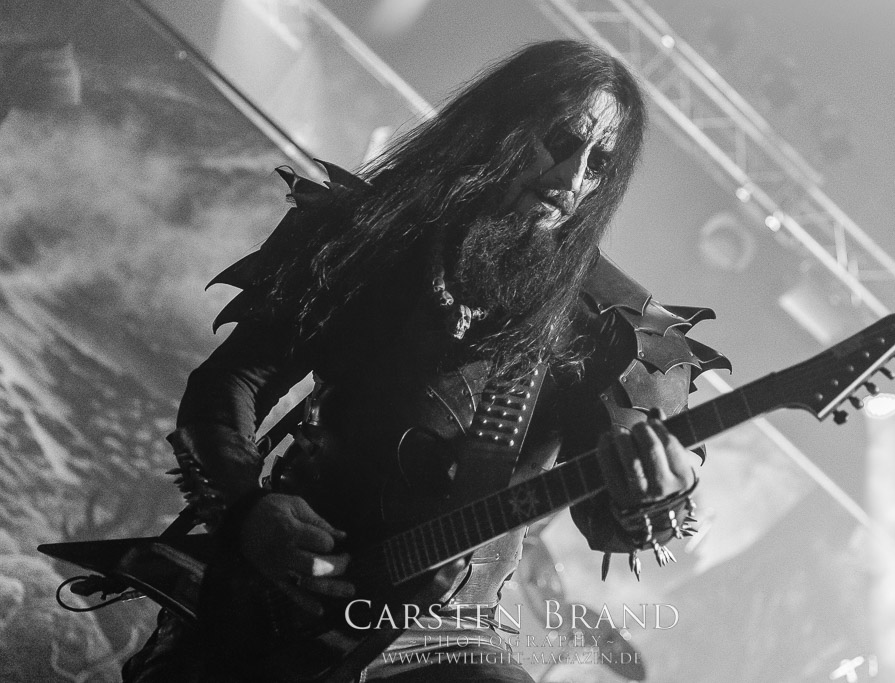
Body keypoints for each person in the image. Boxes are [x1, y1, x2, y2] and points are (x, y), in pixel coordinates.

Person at [123, 39, 727, 682]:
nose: (573, 178)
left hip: (444, 638)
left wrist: (657, 499)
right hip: (286, 590)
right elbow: (232, 381)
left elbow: (609, 521)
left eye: (600, 163)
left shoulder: (610, 328)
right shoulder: (371, 233)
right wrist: (248, 510)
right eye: (560, 141)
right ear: (502, 125)